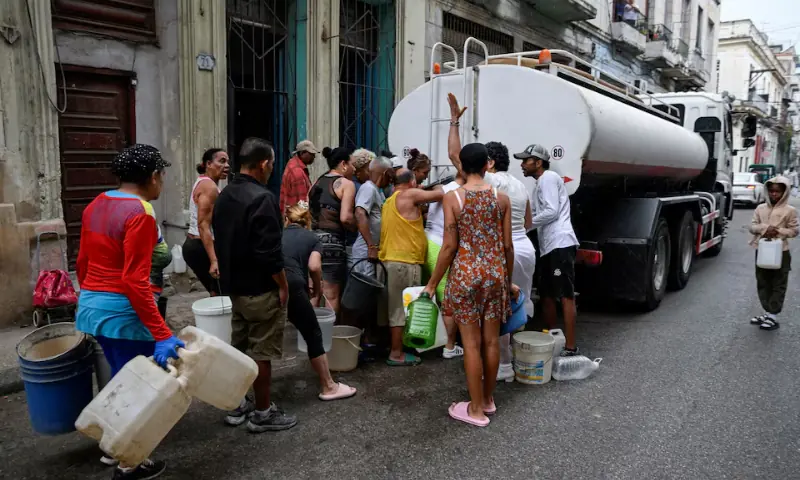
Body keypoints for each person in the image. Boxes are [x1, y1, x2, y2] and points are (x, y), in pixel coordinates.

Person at [76, 144, 183, 479]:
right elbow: (134, 280)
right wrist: (162, 333)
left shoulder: (96, 203)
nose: (161, 182)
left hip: (93, 307)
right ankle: (129, 463)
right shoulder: (141, 212)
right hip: (122, 310)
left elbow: (82, 262)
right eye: (161, 175)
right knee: (140, 388)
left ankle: (113, 446)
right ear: (153, 177)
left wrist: (92, 297)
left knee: (121, 380)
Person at [423, 143, 516, 427]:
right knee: (491, 341)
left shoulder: (454, 198)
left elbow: (449, 246)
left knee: (471, 344)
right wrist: (508, 282)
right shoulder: (501, 199)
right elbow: (508, 246)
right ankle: (487, 400)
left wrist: (432, 283)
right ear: (488, 164)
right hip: (494, 275)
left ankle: (474, 410)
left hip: (465, 276)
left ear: (461, 166)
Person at [446, 94, 537, 378]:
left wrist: (454, 122)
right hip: (526, 249)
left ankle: (502, 369)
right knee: (514, 308)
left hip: (501, 253)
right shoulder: (521, 186)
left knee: (494, 317)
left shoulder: (491, 182)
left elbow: (455, 157)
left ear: (490, 163)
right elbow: (529, 221)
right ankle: (512, 364)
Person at [213, 137, 297, 432]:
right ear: (263, 164)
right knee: (261, 351)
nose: (272, 170)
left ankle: (237, 405)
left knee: (239, 345)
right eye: (272, 164)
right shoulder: (262, 198)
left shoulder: (225, 195)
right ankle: (262, 412)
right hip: (260, 289)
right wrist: (283, 285)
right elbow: (269, 253)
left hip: (235, 287)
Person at [282, 202, 358, 400]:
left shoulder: (277, 236)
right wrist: (318, 288)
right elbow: (314, 266)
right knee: (312, 332)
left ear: (287, 220)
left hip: (270, 284)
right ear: (307, 222)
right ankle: (329, 386)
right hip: (294, 284)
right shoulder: (312, 237)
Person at [516, 143, 580, 355]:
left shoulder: (549, 178)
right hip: (548, 247)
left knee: (565, 295)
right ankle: (552, 341)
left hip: (560, 244)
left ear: (539, 162)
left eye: (526, 160)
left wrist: (527, 225)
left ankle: (571, 346)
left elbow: (551, 212)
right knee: (546, 294)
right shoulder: (539, 184)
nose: (522, 164)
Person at [379, 167, 444, 366]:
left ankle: (394, 347)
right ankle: (396, 354)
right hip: (404, 262)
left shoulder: (390, 199)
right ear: (412, 181)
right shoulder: (411, 194)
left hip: (390, 260)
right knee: (400, 310)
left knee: (392, 309)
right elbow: (441, 194)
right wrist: (435, 186)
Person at [309, 147, 357, 315]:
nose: (354, 169)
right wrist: (355, 227)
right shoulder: (346, 184)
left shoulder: (316, 182)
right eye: (352, 164)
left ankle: (309, 336)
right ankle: (328, 338)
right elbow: (345, 218)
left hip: (312, 240)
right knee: (332, 295)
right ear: (343, 164)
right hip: (332, 244)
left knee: (314, 292)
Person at [423, 171, 465, 360]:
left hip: (428, 242)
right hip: (441, 246)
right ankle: (449, 346)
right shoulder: (459, 192)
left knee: (435, 297)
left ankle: (433, 339)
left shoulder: (441, 189)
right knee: (447, 299)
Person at [748, 176, 799, 331]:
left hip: (781, 252)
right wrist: (764, 229)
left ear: (784, 193)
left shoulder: (790, 211)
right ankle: (767, 312)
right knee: (763, 281)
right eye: (771, 191)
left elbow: (795, 230)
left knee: (778, 282)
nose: (774, 194)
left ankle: (773, 315)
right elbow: (752, 226)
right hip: (762, 250)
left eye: (778, 192)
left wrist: (777, 231)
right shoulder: (760, 208)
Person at [182, 148, 229, 296]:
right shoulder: (209, 187)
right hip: (201, 247)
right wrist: (214, 260)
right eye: (222, 161)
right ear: (208, 163)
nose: (227, 165)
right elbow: (203, 226)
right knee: (222, 292)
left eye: (228, 162)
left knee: (216, 291)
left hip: (196, 245)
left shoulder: (205, 182)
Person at [351, 155, 393, 277]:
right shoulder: (368, 188)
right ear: (385, 173)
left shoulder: (377, 191)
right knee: (364, 291)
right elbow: (359, 213)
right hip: (365, 253)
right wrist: (371, 246)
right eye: (390, 175)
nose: (391, 179)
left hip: (371, 252)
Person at [279, 140, 318, 214]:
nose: (314, 157)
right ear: (302, 153)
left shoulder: (292, 163)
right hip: (297, 218)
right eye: (311, 154)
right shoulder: (298, 172)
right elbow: (302, 203)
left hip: (290, 215)